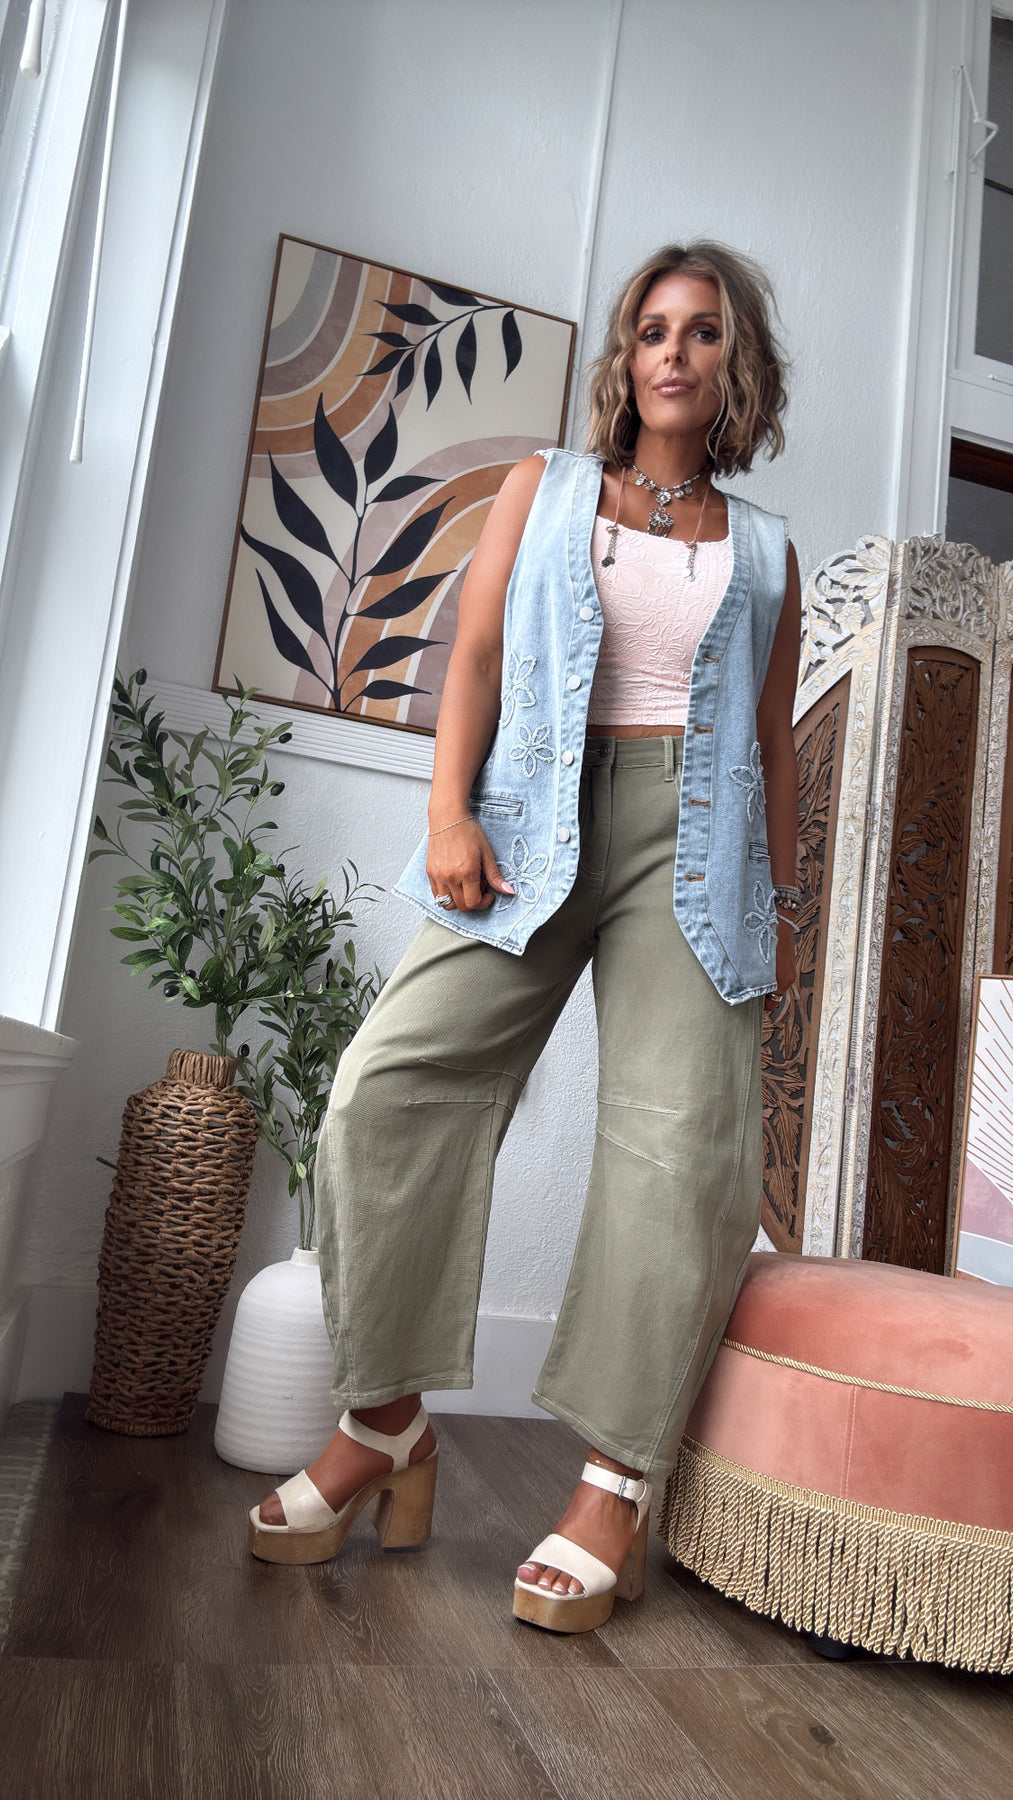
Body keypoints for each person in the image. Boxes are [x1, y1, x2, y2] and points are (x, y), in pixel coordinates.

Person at [248, 240, 801, 1636]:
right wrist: (448, 813)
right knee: (383, 1089)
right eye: (653, 329)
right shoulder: (541, 489)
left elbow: (768, 743)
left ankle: (615, 1480)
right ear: (626, 356)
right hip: (529, 820)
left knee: (679, 1151)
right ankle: (382, 1424)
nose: (674, 352)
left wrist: (781, 904)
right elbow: (478, 658)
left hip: (697, 850)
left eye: (704, 331)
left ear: (736, 363)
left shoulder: (765, 550)